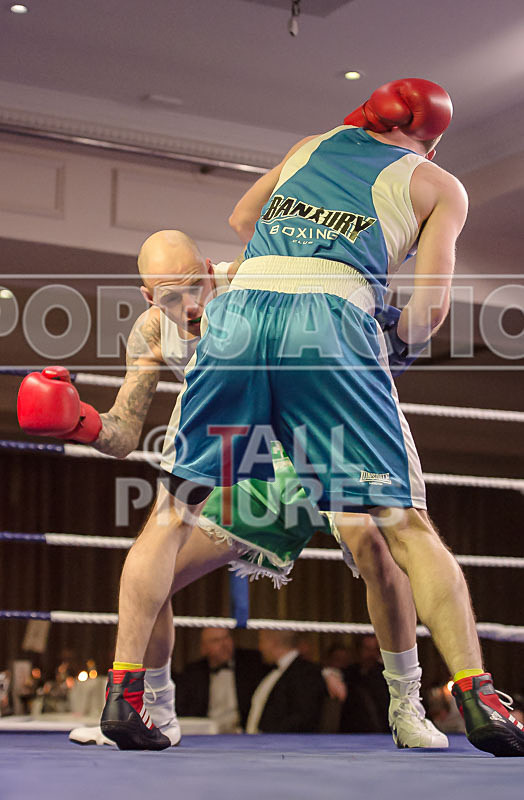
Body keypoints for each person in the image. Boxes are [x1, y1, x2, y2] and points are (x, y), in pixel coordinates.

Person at [91, 77, 524, 756]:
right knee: (404, 526)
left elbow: (243, 221)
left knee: (171, 514)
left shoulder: (310, 145)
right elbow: (431, 310)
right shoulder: (440, 185)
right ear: (431, 139)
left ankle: (124, 690)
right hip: (330, 325)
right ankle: (476, 694)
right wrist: (386, 341)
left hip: (245, 314)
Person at [19, 228, 446, 750]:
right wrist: (80, 423)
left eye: (196, 284)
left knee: (377, 548)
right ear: (150, 298)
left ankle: (407, 705)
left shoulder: (252, 281)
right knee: (152, 579)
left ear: (209, 266)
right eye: (172, 295)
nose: (191, 304)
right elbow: (125, 433)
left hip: (317, 433)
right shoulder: (152, 331)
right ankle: (155, 711)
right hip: (250, 461)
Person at [176, 627, 267, 732]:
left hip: (243, 734)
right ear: (203, 648)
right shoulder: (193, 672)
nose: (224, 645)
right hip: (208, 735)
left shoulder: (252, 664)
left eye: (226, 638)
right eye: (216, 641)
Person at [245, 631, 325, 733]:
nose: (260, 647)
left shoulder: (305, 672)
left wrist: (267, 737)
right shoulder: (273, 671)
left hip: (278, 745)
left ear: (273, 642)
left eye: (261, 641)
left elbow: (303, 718)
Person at [338, 635, 390, 735]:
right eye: (367, 649)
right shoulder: (349, 672)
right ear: (358, 650)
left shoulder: (386, 675)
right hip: (350, 731)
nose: (371, 654)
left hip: (381, 733)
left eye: (374, 649)